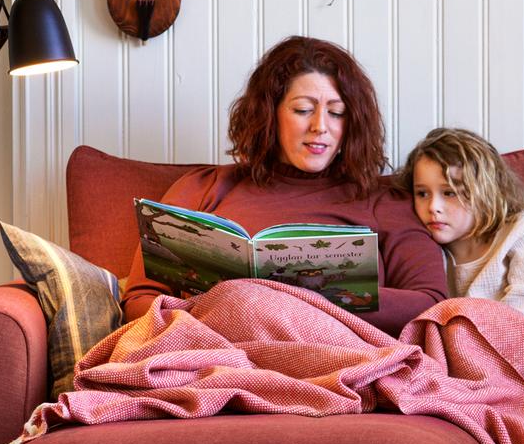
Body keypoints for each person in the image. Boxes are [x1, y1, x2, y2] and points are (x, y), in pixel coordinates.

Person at [122, 36, 446, 335]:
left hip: (335, 353)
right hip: (217, 351)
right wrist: (226, 308)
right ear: (269, 114)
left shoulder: (383, 200)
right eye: (303, 110)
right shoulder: (201, 188)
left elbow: (430, 303)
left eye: (337, 112)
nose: (320, 126)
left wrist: (310, 300)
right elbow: (139, 301)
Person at [398, 127, 524, 342]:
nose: (433, 206)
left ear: (484, 190)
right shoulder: (426, 250)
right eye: (422, 193)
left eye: (449, 193)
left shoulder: (523, 231)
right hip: (469, 363)